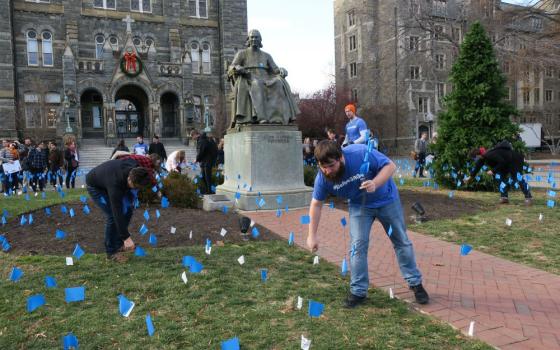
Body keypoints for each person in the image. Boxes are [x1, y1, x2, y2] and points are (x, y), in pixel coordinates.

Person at [306, 140, 429, 307]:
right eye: (323, 167)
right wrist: (311, 235)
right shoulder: (323, 179)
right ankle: (358, 291)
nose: (327, 171)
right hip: (359, 206)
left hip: (386, 200)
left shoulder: (359, 153)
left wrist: (375, 183)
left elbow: (390, 166)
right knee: (357, 246)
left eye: (331, 165)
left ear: (341, 158)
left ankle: (415, 283)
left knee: (401, 241)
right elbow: (316, 204)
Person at [227, 29, 299, 126]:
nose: (254, 39)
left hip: (266, 77)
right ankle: (261, 118)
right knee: (257, 84)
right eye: (252, 37)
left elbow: (275, 70)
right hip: (249, 77)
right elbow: (232, 66)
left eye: (256, 37)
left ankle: (276, 118)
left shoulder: (266, 55)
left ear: (260, 40)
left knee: (278, 83)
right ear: (248, 39)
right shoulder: (242, 54)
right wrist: (238, 68)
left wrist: (282, 70)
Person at [86, 158, 153, 262]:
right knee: (112, 215)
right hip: (95, 186)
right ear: (130, 179)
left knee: (128, 210)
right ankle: (111, 252)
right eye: (135, 187)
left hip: (110, 178)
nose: (135, 189)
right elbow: (117, 212)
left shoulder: (136, 167)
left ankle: (118, 244)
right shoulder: (115, 185)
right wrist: (126, 237)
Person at [467, 141, 532, 205]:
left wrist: (493, 171)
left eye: (474, 158)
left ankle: (528, 197)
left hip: (514, 160)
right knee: (501, 179)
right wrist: (470, 177)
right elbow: (477, 167)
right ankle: (504, 197)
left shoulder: (489, 155)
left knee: (518, 178)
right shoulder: (482, 158)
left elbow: (502, 162)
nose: (474, 160)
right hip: (505, 163)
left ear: (478, 155)